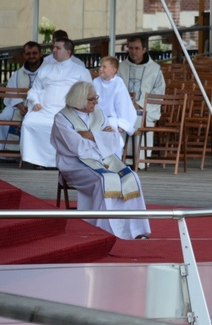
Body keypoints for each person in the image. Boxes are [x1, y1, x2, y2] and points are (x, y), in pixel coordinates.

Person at [51, 81, 150, 240]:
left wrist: (91, 135)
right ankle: (106, 232)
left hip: (103, 158)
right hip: (74, 164)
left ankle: (135, 231)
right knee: (104, 179)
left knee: (132, 178)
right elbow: (78, 148)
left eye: (96, 98)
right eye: (92, 99)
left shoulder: (99, 113)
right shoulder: (62, 119)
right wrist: (100, 137)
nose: (96, 102)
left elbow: (113, 140)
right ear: (80, 99)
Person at [20, 37, 92, 168]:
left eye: (58, 48)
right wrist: (35, 101)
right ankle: (38, 161)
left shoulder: (81, 71)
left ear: (68, 52)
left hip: (68, 111)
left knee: (61, 126)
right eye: (53, 47)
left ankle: (63, 162)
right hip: (45, 109)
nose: (53, 50)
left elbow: (89, 93)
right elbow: (35, 89)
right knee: (29, 123)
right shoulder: (45, 69)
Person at [117, 35, 166, 159]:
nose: (133, 51)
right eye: (131, 48)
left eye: (137, 48)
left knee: (139, 119)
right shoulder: (121, 67)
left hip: (145, 108)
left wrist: (139, 104)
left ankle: (140, 159)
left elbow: (159, 91)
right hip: (123, 108)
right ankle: (120, 158)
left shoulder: (155, 69)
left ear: (144, 49)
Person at [0, 41, 43, 151]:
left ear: (41, 54)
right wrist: (21, 107)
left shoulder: (48, 71)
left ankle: (30, 153)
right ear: (24, 55)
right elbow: (11, 92)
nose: (31, 56)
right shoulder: (17, 74)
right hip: (19, 106)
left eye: (34, 53)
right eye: (28, 53)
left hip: (39, 107)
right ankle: (3, 153)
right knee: (4, 118)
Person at [92, 56, 138, 159]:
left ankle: (114, 163)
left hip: (112, 120)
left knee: (114, 138)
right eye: (100, 66)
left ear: (113, 70)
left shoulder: (118, 83)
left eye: (104, 67)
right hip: (97, 118)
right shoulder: (95, 82)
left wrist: (122, 123)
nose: (100, 69)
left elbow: (122, 104)